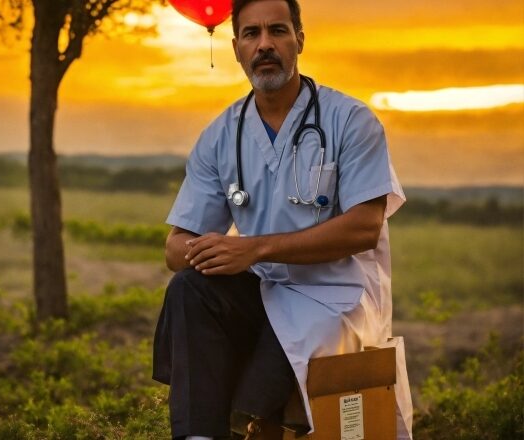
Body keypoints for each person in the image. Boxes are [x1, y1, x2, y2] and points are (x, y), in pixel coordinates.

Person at [152, 0, 412, 439]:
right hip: (266, 291)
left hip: (335, 297)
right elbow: (176, 248)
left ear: (300, 40)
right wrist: (207, 250)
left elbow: (365, 227)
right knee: (188, 289)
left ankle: (245, 419)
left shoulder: (349, 121)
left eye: (278, 31)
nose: (265, 45)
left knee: (249, 408)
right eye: (252, 34)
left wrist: (254, 248)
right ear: (236, 48)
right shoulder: (221, 135)